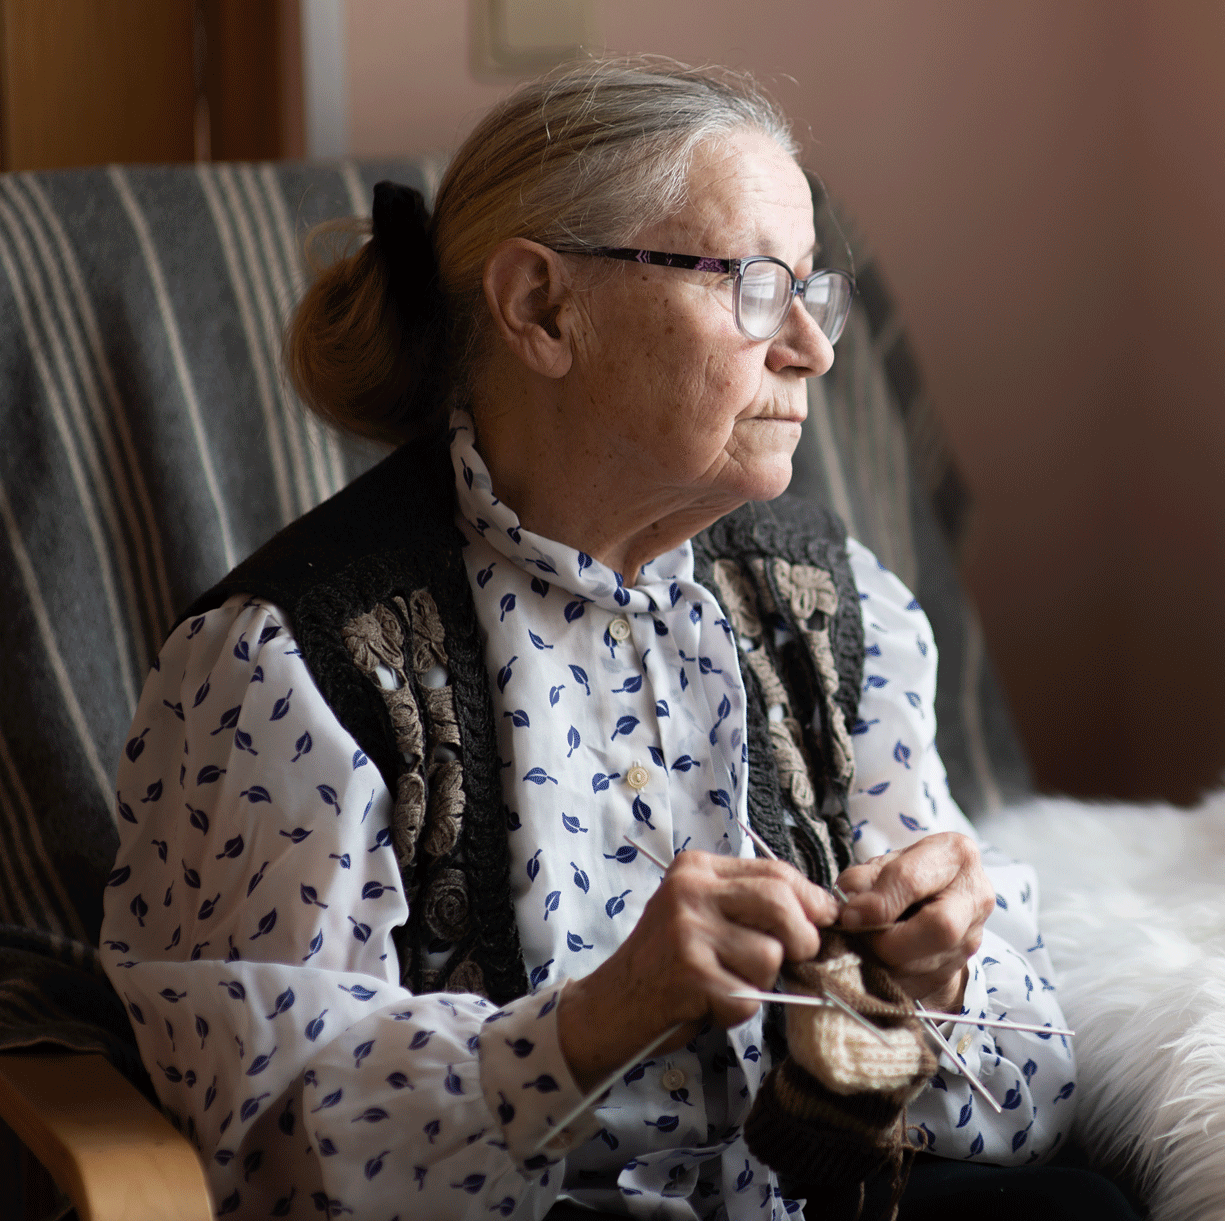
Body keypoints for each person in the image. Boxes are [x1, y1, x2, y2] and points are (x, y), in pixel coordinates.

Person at [101, 60, 1091, 1221]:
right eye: (756, 287)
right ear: (542, 308)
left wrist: (943, 983)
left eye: (812, 292)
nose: (814, 352)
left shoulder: (836, 607)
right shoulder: (289, 666)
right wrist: (590, 1029)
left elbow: (1040, 1083)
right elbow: (265, 1150)